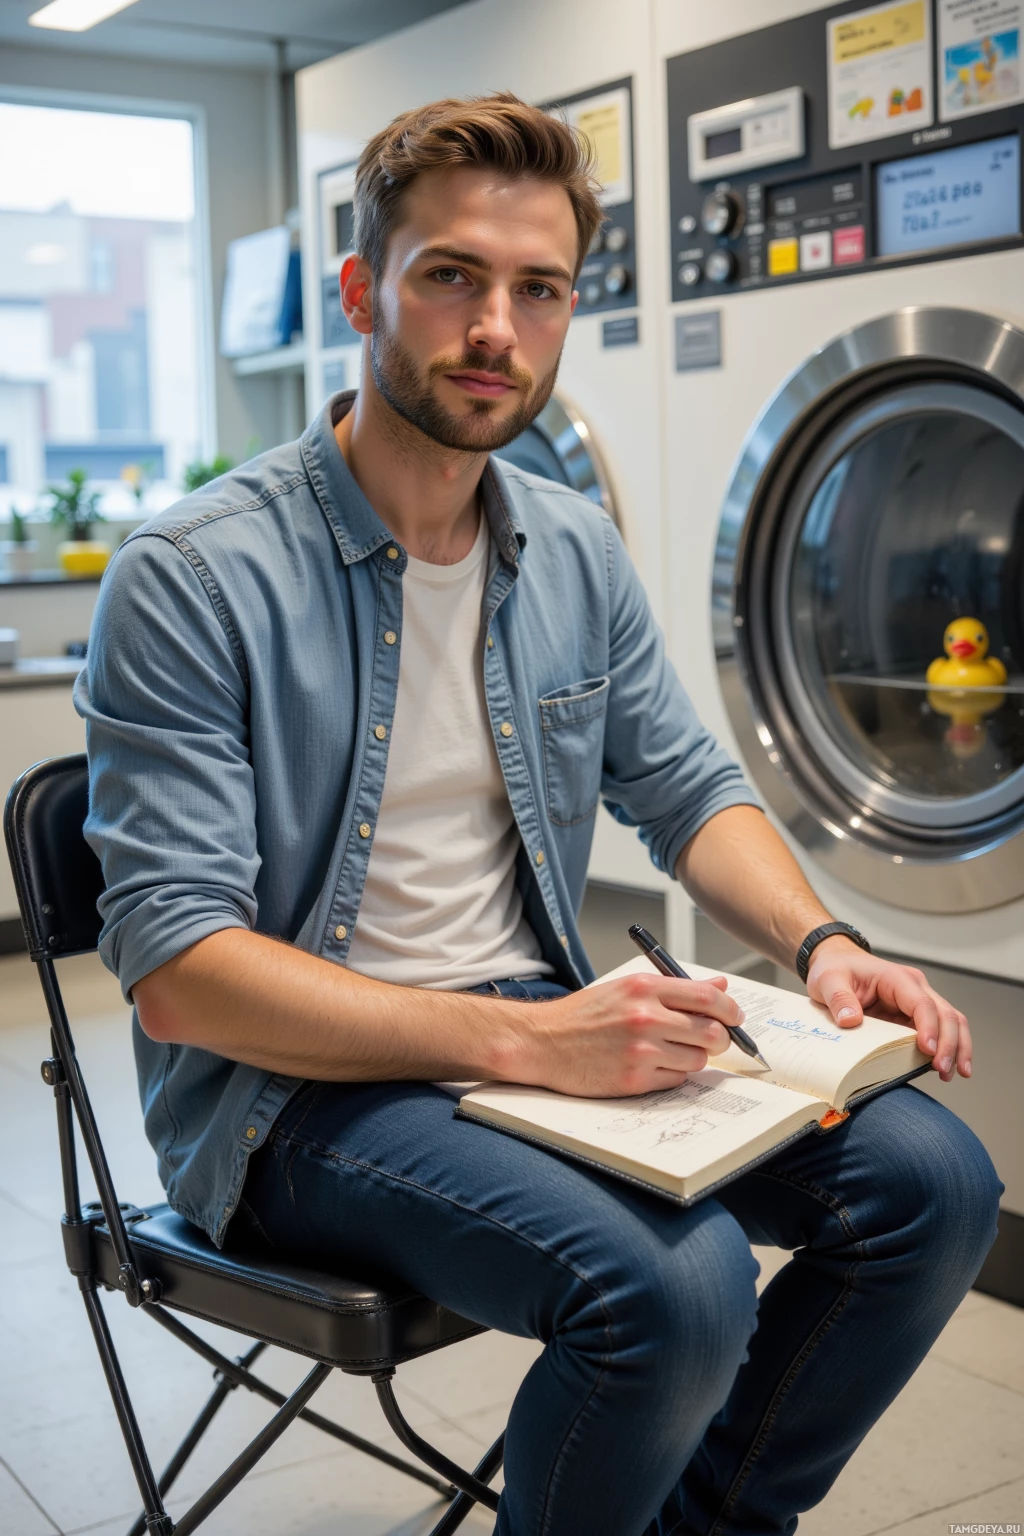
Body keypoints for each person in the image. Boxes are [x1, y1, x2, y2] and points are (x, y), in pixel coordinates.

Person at [78, 94, 1001, 1536]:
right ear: (361, 291)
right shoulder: (193, 576)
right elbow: (184, 976)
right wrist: (527, 1041)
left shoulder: (567, 545)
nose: (495, 327)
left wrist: (822, 942)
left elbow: (687, 785)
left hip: (537, 1025)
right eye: (451, 276)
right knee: (672, 1288)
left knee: (937, 1185)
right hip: (296, 1096)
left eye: (540, 288)